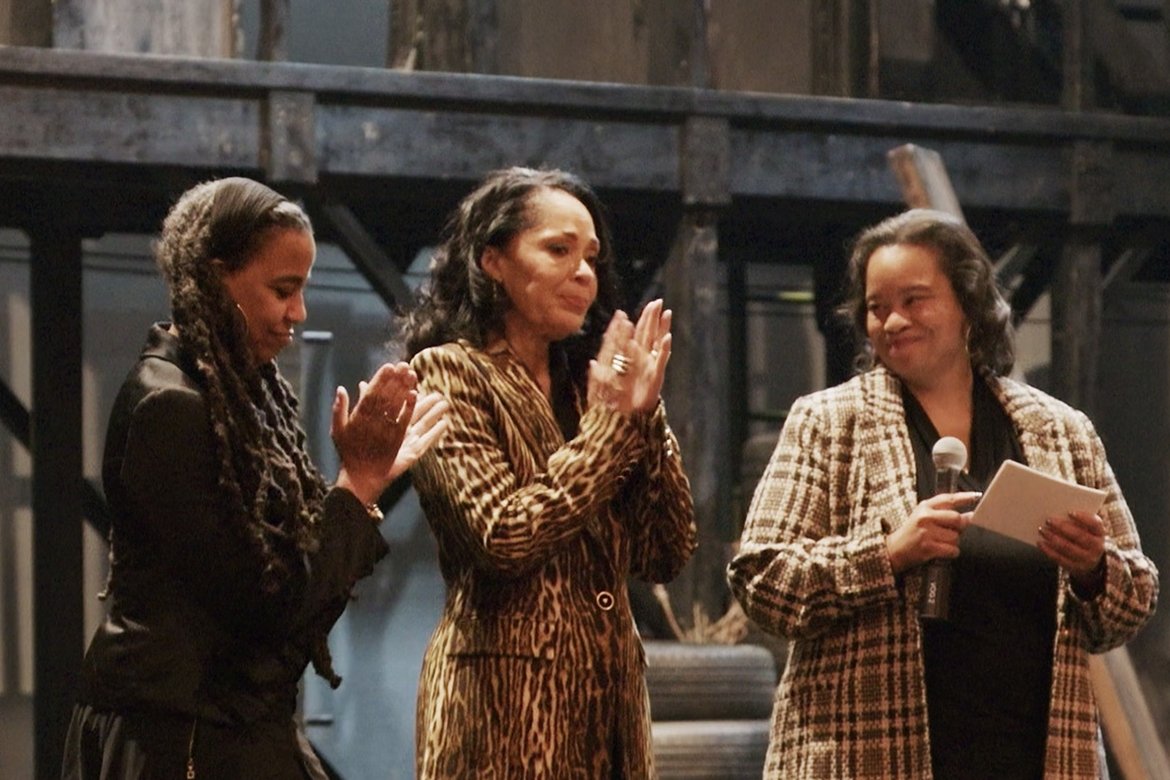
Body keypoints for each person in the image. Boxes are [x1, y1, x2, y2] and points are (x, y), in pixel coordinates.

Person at [728, 208, 1159, 779]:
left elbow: (1135, 598)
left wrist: (1092, 570)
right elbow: (762, 581)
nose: (892, 321)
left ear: (970, 309)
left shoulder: (1060, 429)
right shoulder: (828, 422)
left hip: (1032, 754)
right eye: (877, 307)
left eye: (915, 300)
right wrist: (886, 556)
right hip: (868, 758)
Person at [62, 177, 449, 779]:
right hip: (178, 734)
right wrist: (358, 487)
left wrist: (362, 488)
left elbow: (289, 588)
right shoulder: (172, 406)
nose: (298, 312)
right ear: (218, 279)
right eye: (283, 290)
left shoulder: (242, 394)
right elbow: (269, 612)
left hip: (226, 724)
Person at [401, 166, 697, 778]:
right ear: (493, 261)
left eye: (591, 256)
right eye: (558, 249)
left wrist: (643, 418)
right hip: (502, 714)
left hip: (611, 711)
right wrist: (613, 427)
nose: (583, 272)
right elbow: (505, 536)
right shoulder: (450, 373)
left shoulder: (588, 387)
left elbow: (665, 552)